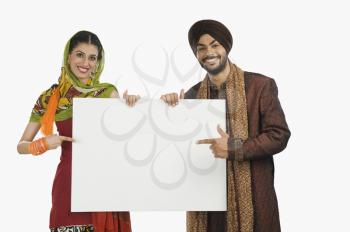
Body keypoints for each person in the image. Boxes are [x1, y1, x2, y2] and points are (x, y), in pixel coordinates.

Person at [161, 20, 291, 232]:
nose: (208, 52)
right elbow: (179, 152)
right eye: (200, 48)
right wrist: (170, 110)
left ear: (226, 47)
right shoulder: (192, 96)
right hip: (209, 206)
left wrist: (234, 147)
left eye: (214, 45)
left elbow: (279, 135)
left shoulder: (259, 86)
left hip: (254, 200)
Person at [17, 30, 139, 232]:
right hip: (68, 190)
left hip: (105, 189)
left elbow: (126, 141)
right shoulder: (49, 98)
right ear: (69, 56)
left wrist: (130, 108)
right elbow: (21, 146)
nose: (86, 63)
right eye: (80, 54)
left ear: (98, 62)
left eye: (92, 57)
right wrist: (44, 144)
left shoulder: (108, 93)